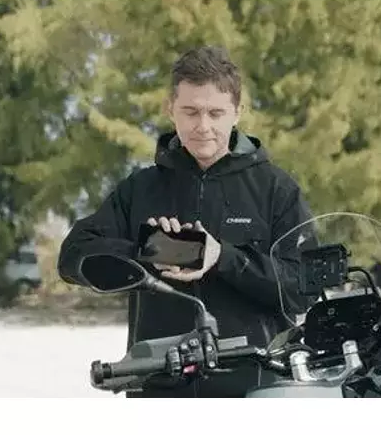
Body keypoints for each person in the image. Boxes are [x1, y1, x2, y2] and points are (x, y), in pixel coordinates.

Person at [57, 45, 314, 398]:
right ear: (170, 109)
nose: (203, 126)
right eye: (190, 112)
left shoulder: (276, 189)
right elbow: (73, 256)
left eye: (215, 113)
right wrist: (153, 250)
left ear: (237, 112)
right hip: (159, 387)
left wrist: (222, 257)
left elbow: (303, 290)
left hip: (254, 389)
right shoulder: (140, 188)